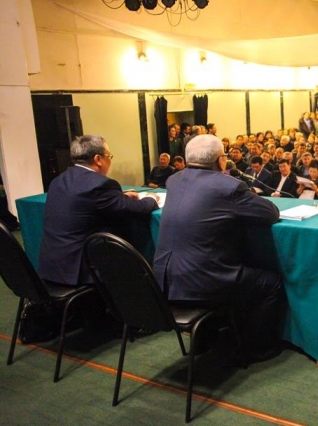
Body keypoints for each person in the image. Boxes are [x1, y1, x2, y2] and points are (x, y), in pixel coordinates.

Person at [154, 134, 285, 363]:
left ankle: (208, 336)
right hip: (205, 281)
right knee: (271, 283)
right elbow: (270, 213)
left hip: (165, 278)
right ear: (221, 161)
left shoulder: (173, 180)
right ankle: (256, 348)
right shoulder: (228, 186)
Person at [38, 135, 159, 286]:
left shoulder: (58, 180)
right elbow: (138, 208)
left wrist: (119, 197)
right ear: (98, 159)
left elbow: (88, 200)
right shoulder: (101, 185)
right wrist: (152, 198)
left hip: (52, 265)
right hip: (81, 269)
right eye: (109, 156)